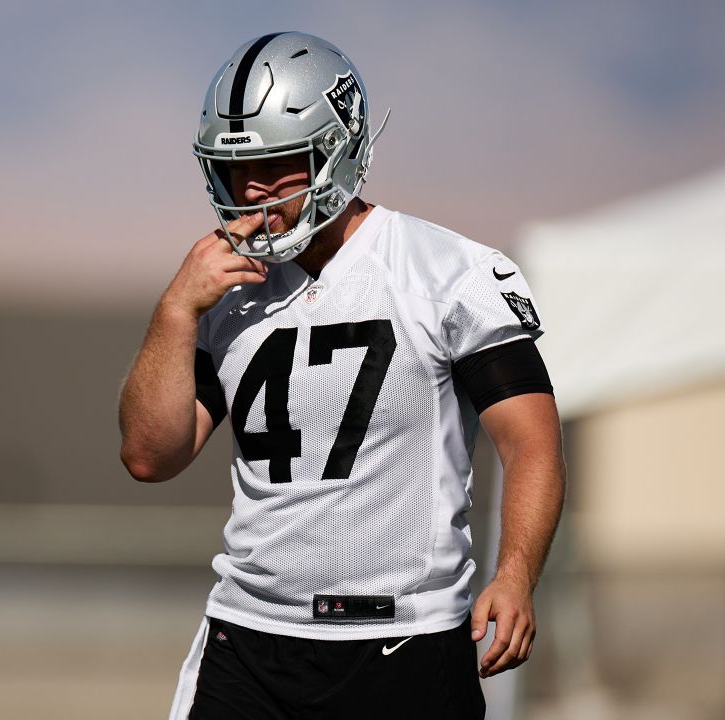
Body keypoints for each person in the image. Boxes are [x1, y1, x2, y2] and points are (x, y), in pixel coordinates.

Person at [117, 31, 566, 718]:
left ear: (337, 149)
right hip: (249, 641)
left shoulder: (446, 272)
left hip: (406, 643)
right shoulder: (223, 291)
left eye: (277, 166)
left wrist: (515, 572)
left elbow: (531, 441)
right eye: (237, 170)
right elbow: (149, 456)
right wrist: (175, 310)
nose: (251, 192)